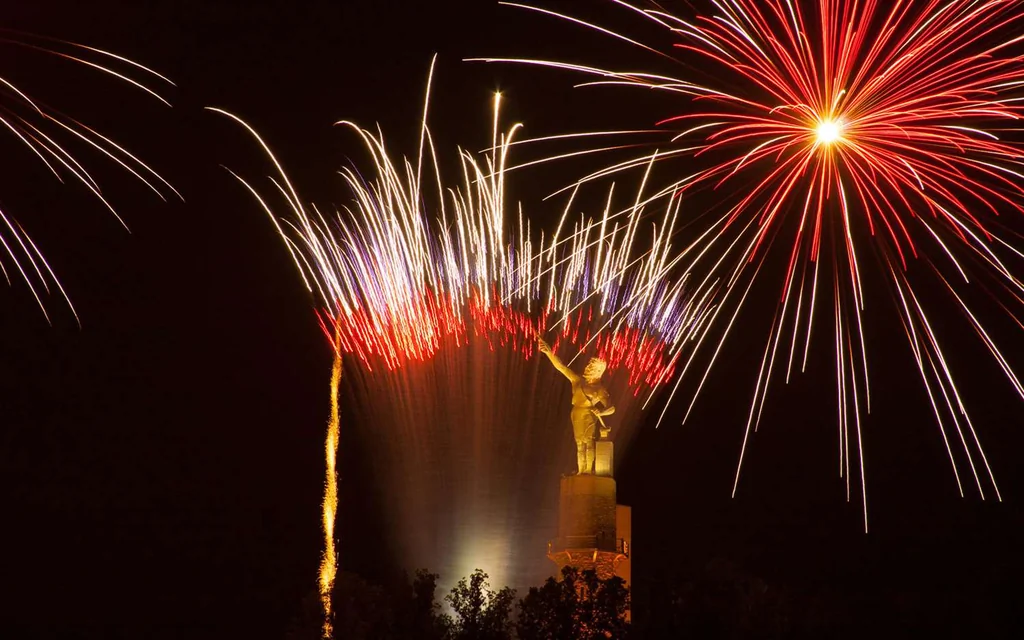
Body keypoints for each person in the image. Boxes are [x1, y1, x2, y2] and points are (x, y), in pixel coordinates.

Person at [538, 336, 616, 474]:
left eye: (591, 366)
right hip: (576, 413)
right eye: (588, 365)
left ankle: (588, 470)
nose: (587, 367)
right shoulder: (577, 380)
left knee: (589, 443)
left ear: (598, 371)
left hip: (589, 415)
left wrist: (601, 412)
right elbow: (561, 367)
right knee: (579, 443)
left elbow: (611, 408)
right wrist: (549, 353)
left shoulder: (599, 389)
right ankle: (581, 470)